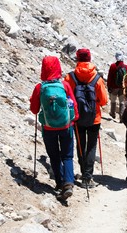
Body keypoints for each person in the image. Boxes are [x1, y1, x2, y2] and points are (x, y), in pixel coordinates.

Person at [30, 56, 79, 201]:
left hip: (48, 128)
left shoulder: (40, 87)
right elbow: (73, 104)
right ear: (58, 68)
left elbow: (34, 109)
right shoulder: (65, 86)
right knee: (68, 155)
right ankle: (69, 183)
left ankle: (59, 183)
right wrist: (74, 118)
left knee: (54, 156)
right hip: (66, 127)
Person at [64, 48, 108, 188]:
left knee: (80, 145)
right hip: (94, 118)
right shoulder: (97, 78)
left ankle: (83, 173)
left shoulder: (70, 77)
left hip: (77, 117)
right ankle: (88, 178)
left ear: (77, 59)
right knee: (91, 146)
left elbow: (67, 97)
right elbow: (104, 100)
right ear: (89, 59)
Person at [107, 51, 127, 122]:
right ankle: (121, 117)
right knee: (121, 102)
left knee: (113, 100)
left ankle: (113, 114)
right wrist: (126, 87)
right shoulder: (126, 67)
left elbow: (110, 77)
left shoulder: (113, 66)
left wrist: (109, 86)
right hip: (122, 88)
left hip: (114, 87)